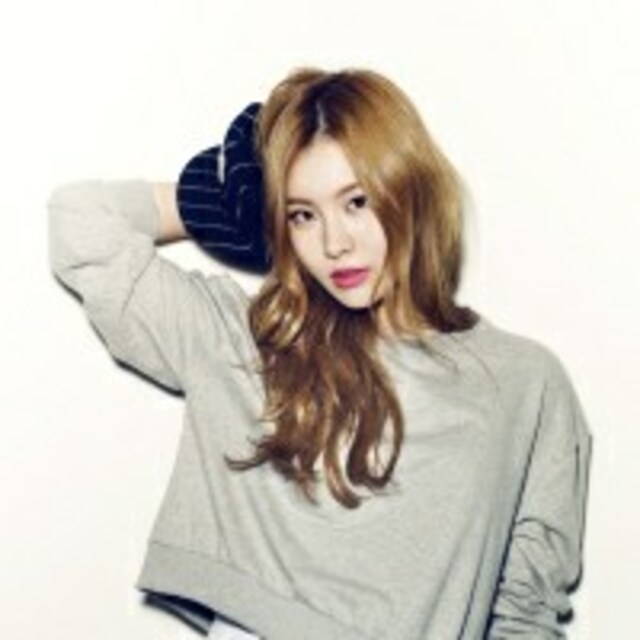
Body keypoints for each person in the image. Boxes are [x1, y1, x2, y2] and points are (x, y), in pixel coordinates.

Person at [47, 67, 592, 639]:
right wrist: (220, 202)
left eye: (357, 202)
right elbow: (78, 222)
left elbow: (526, 612)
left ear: (410, 188)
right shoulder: (248, 342)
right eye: (303, 215)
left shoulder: (524, 381)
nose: (334, 243)